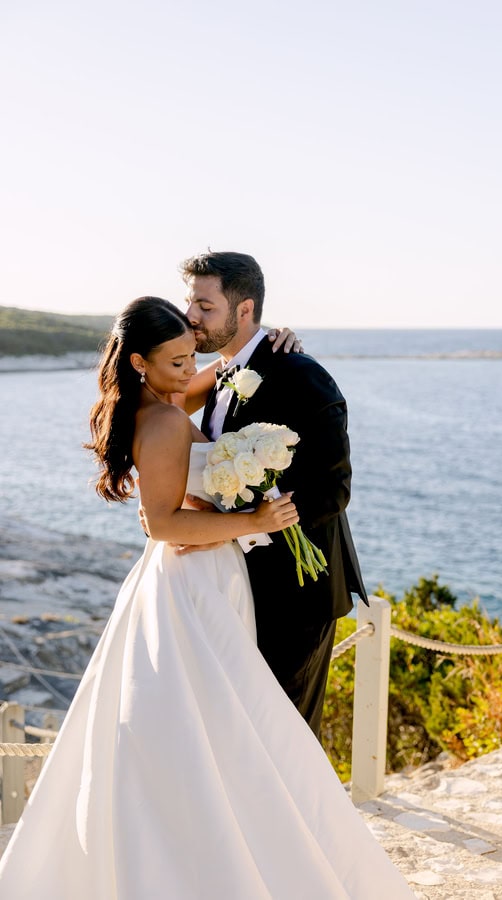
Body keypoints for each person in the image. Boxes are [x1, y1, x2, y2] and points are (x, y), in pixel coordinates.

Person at [0, 296, 414, 898]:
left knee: (218, 723)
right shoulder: (164, 420)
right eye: (175, 361)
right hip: (189, 584)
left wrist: (272, 342)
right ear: (140, 362)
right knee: (221, 725)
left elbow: (224, 373)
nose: (187, 368)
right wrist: (256, 520)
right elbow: (165, 524)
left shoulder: (164, 395)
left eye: (189, 354)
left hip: (201, 577)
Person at [178, 250, 368, 737]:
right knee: (242, 734)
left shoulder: (300, 374)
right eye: (190, 302)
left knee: (285, 739)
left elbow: (332, 489)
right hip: (237, 585)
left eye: (205, 305)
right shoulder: (223, 373)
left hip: (298, 592)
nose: (191, 316)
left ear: (244, 311)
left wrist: (246, 528)